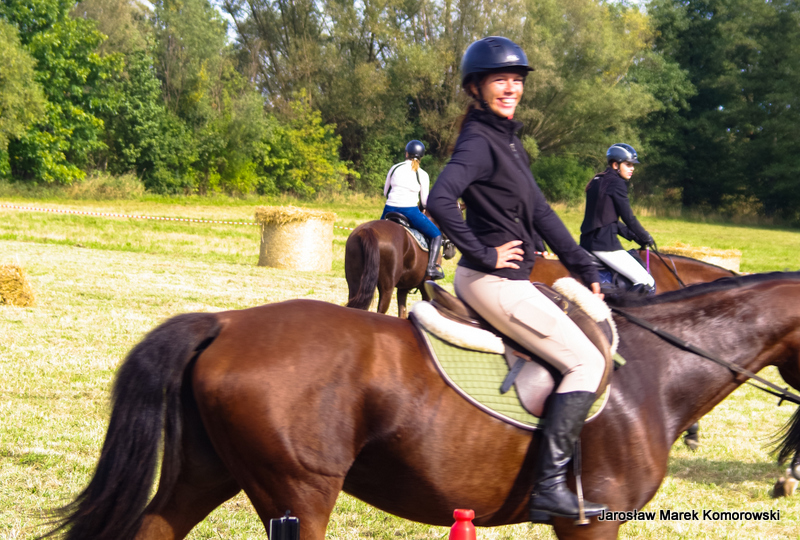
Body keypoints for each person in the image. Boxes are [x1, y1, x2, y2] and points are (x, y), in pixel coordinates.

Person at [427, 36, 608, 521]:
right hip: (493, 282)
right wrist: (484, 253)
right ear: (476, 88)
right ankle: (548, 489)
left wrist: (583, 264)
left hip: (514, 279)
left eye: (516, 80)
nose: (510, 88)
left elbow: (541, 211)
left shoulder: (508, 140)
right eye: (499, 80)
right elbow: (440, 199)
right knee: (586, 364)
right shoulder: (478, 141)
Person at [579, 144, 656, 295]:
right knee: (647, 282)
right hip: (604, 245)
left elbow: (608, 220)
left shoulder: (597, 180)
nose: (632, 169)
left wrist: (635, 237)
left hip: (587, 242)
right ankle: (624, 308)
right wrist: (645, 236)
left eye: (633, 165)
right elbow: (628, 217)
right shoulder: (616, 183)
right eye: (628, 164)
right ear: (615, 165)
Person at [381, 140, 444, 280]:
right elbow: (424, 202)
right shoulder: (422, 174)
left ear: (406, 154)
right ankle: (431, 268)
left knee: (377, 232)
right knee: (436, 235)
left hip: (389, 209)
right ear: (421, 157)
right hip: (409, 211)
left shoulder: (394, 168)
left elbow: (386, 192)